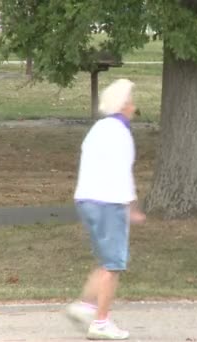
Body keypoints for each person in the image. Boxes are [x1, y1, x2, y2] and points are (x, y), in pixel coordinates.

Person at [66, 79, 146, 340]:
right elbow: (123, 173)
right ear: (122, 106)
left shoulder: (98, 129)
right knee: (114, 264)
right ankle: (101, 321)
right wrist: (131, 206)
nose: (133, 107)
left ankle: (85, 306)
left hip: (86, 198)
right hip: (109, 201)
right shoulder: (121, 132)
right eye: (131, 102)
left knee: (105, 260)